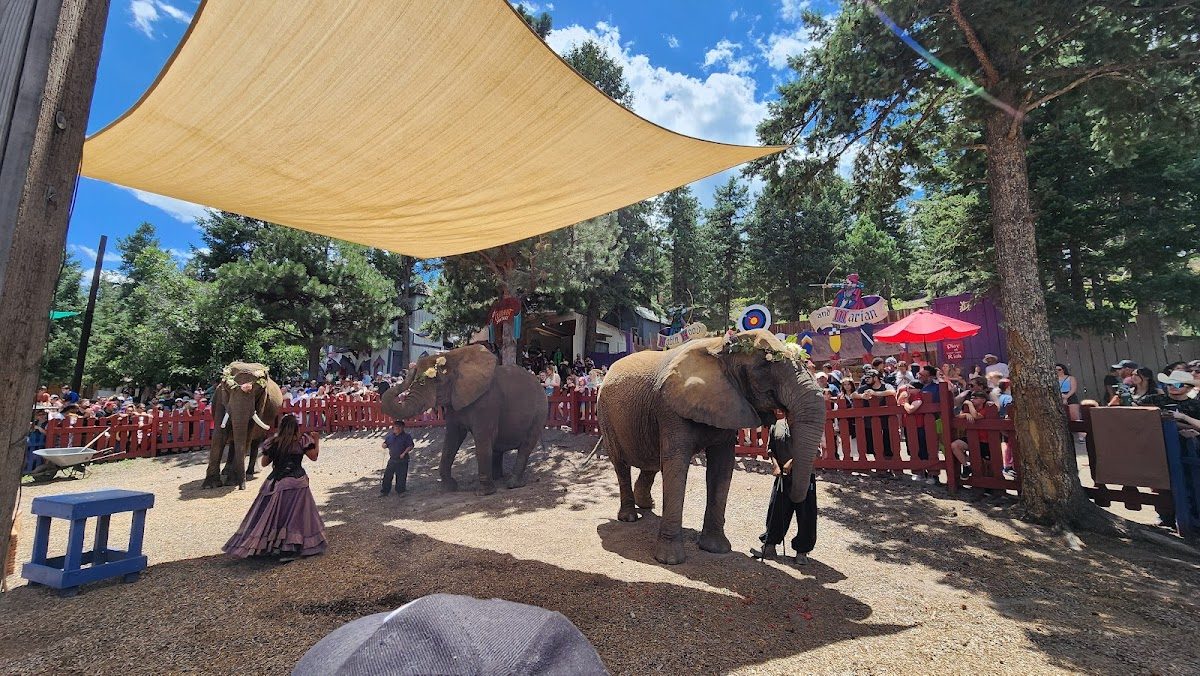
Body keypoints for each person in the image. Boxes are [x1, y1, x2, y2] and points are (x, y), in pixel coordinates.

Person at [223, 414, 326, 562]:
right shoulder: (302, 441)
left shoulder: (273, 442)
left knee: (270, 516)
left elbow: (264, 463)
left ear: (281, 427)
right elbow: (314, 456)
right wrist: (316, 440)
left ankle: (270, 545)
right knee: (295, 517)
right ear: (296, 428)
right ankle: (289, 547)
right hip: (297, 482)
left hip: (275, 482)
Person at [753, 409, 817, 565]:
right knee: (776, 509)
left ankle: (802, 551)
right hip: (782, 475)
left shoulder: (807, 428)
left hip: (803, 475)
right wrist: (775, 465)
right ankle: (769, 545)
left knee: (805, 513)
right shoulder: (777, 425)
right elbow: (771, 449)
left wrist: (792, 461)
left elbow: (812, 450)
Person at [851, 368, 895, 458]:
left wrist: (875, 393)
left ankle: (889, 466)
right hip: (869, 422)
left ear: (875, 378)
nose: (866, 379)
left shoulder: (886, 386)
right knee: (874, 445)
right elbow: (853, 395)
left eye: (869, 378)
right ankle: (879, 466)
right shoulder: (864, 388)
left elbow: (892, 392)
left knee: (887, 444)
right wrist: (862, 396)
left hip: (885, 421)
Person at [381, 419, 415, 496]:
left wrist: (404, 453)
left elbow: (410, 446)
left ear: (402, 428)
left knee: (401, 476)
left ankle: (401, 491)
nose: (396, 429)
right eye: (395, 427)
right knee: (387, 476)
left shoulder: (406, 436)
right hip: (392, 459)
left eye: (398, 427)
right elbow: (385, 443)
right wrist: (384, 445)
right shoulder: (390, 436)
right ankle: (385, 491)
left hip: (402, 459)